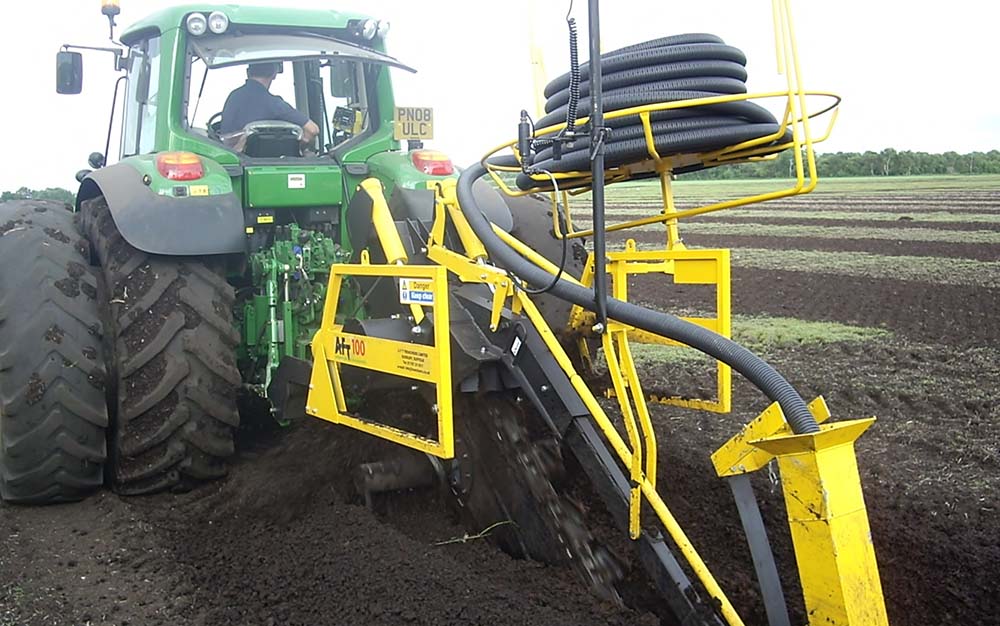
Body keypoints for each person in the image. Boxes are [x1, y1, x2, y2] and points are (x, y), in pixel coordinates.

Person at [221, 62, 319, 146]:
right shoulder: (275, 104)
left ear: (247, 72)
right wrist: (297, 147)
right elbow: (313, 130)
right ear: (274, 73)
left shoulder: (233, 97)